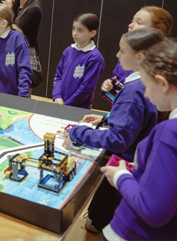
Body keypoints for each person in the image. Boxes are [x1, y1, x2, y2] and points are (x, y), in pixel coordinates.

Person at [63, 28, 165, 233]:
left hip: (125, 165)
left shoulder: (134, 89)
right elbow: (137, 120)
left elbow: (118, 138)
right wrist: (108, 117)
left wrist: (77, 133)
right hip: (136, 163)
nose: (117, 55)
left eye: (122, 51)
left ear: (141, 56)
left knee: (96, 222)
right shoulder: (146, 83)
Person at [101, 39, 177, 241]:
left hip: (134, 233)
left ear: (162, 83)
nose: (145, 93)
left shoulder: (169, 132)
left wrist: (120, 177)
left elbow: (154, 210)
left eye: (146, 83)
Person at [101, 6, 173, 94]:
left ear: (157, 30)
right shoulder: (128, 53)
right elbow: (117, 77)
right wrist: (111, 84)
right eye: (132, 21)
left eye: (138, 22)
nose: (130, 25)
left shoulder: (162, 66)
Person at [52, 13, 104, 109]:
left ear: (92, 33)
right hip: (61, 104)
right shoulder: (68, 51)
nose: (75, 33)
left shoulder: (95, 58)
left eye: (80, 30)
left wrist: (68, 105)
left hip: (78, 109)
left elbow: (86, 88)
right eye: (73, 29)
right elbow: (58, 75)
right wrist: (57, 96)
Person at [3, 0, 42, 88]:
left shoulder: (34, 9)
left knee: (23, 86)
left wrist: (7, 10)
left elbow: (15, 30)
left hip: (25, 53)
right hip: (12, 50)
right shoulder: (16, 7)